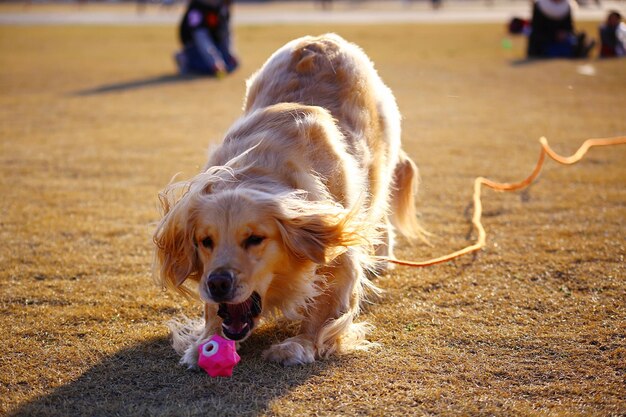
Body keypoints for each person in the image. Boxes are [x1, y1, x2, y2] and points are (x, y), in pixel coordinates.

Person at [175, 0, 239, 76]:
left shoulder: (222, 7)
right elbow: (201, 39)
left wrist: (230, 53)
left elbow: (226, 34)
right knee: (209, 68)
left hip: (215, 45)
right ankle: (186, 59)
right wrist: (214, 62)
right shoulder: (196, 9)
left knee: (232, 64)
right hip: (195, 47)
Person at [526, 0, 595, 58]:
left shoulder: (566, 6)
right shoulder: (540, 5)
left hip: (562, 40)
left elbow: (569, 27)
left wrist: (564, 33)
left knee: (572, 40)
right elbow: (536, 28)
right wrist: (554, 35)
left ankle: (580, 48)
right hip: (545, 40)